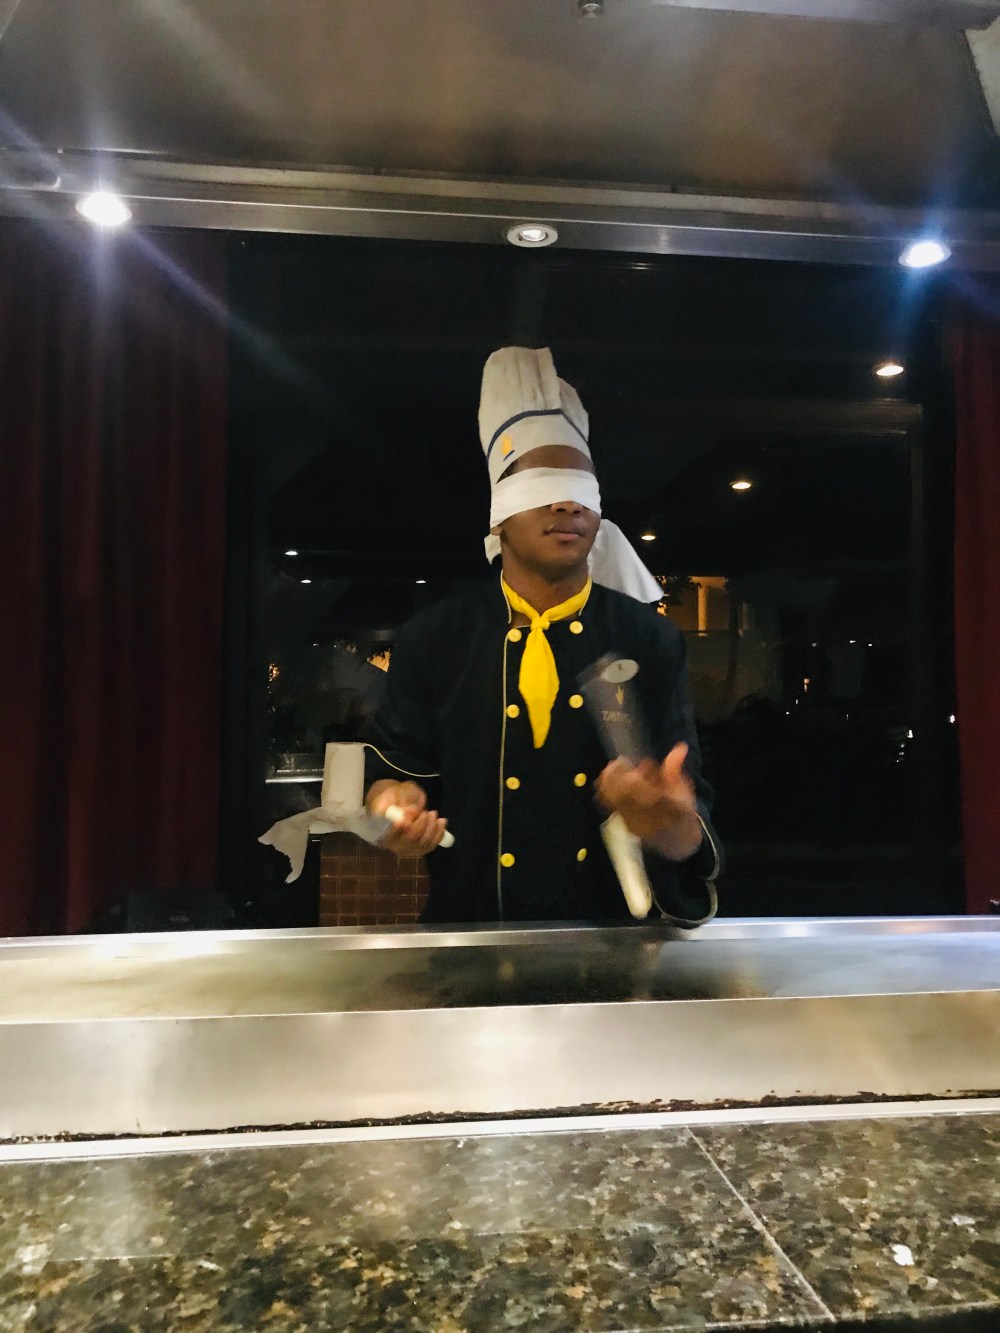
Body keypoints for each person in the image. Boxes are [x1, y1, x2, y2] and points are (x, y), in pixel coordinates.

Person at [364, 347, 721, 925]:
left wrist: (662, 820)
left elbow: (687, 833)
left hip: (619, 945)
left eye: (582, 485)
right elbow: (395, 777)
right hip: (472, 937)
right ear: (497, 515)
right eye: (539, 482)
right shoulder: (436, 638)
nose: (566, 502)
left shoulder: (648, 640)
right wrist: (392, 811)